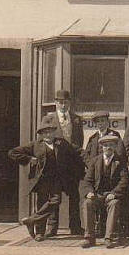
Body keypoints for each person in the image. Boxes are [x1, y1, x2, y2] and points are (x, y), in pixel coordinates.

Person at [8, 116, 83, 241]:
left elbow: (75, 152)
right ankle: (39, 232)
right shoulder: (35, 145)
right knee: (42, 203)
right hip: (41, 180)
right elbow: (12, 152)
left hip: (56, 179)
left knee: (56, 200)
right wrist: (28, 159)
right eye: (45, 132)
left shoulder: (61, 143)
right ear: (41, 134)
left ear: (54, 132)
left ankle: (31, 220)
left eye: (51, 131)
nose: (48, 134)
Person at [80, 134, 129, 249]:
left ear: (115, 147)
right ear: (101, 147)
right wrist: (89, 192)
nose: (108, 148)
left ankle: (109, 238)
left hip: (111, 196)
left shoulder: (120, 161)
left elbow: (124, 181)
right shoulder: (95, 161)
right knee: (87, 203)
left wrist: (114, 193)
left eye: (111, 145)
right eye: (106, 145)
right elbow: (87, 180)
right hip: (97, 195)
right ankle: (89, 238)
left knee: (114, 204)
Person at [46, 89, 84, 235]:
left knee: (74, 195)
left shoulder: (76, 119)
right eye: (60, 102)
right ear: (56, 103)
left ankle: (75, 226)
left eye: (66, 102)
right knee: (55, 196)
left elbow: (79, 141)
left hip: (72, 165)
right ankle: (52, 227)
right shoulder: (49, 119)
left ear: (69, 103)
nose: (63, 105)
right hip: (56, 164)